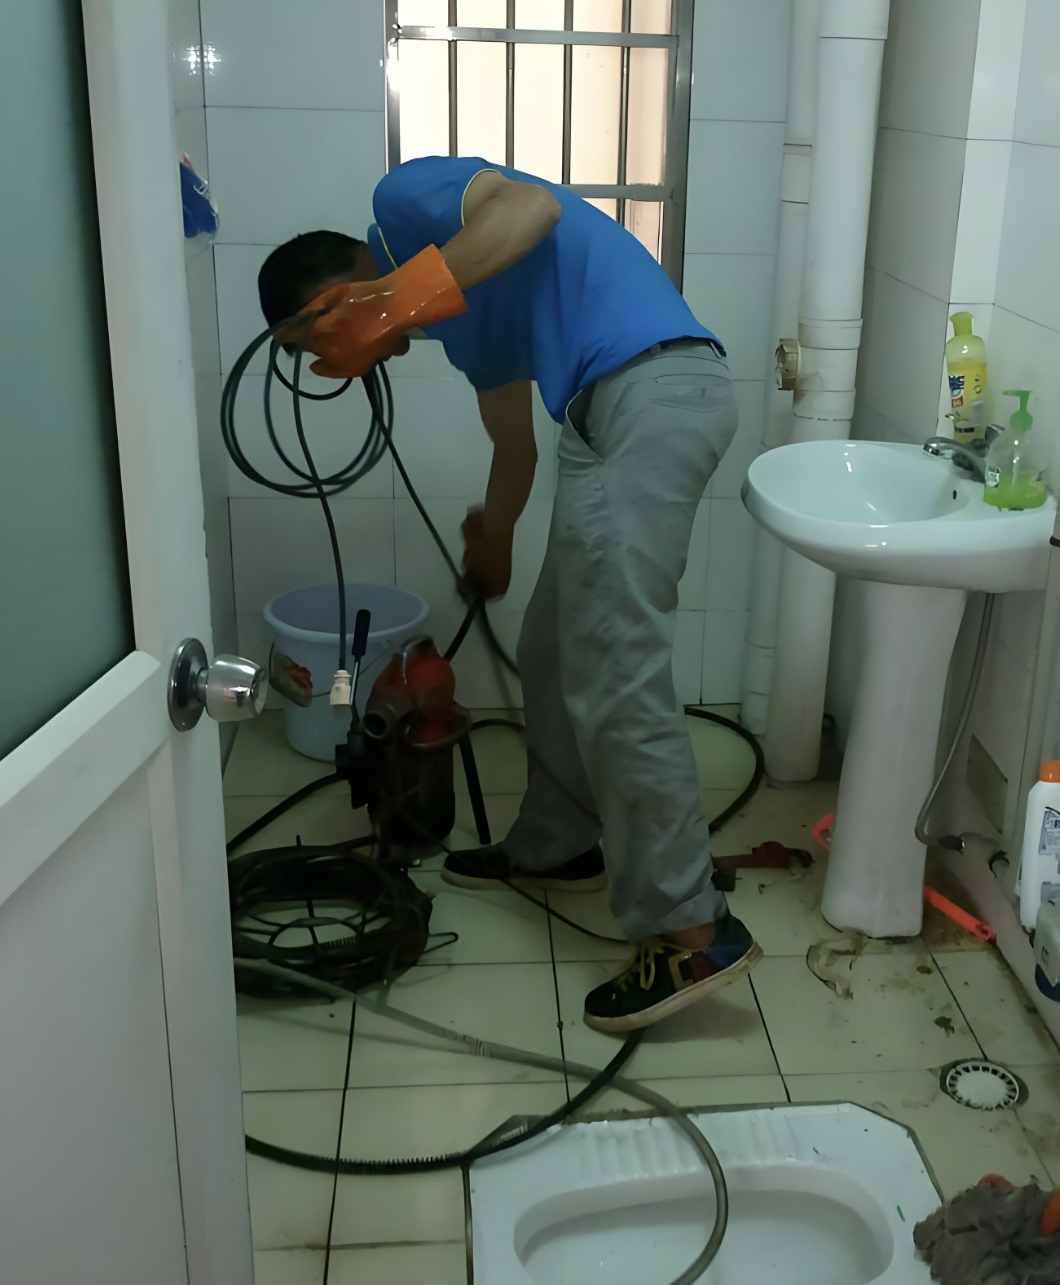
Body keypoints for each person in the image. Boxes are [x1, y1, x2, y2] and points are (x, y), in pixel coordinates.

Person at [257, 155, 760, 1033]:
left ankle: (691, 930)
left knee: (616, 670)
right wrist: (492, 536)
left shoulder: (402, 203)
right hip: (604, 411)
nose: (333, 368)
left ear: (334, 300)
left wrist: (390, 303)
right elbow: (514, 447)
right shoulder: (462, 325)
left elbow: (531, 209)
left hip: (652, 388)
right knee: (552, 646)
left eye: (315, 347)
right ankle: (558, 844)